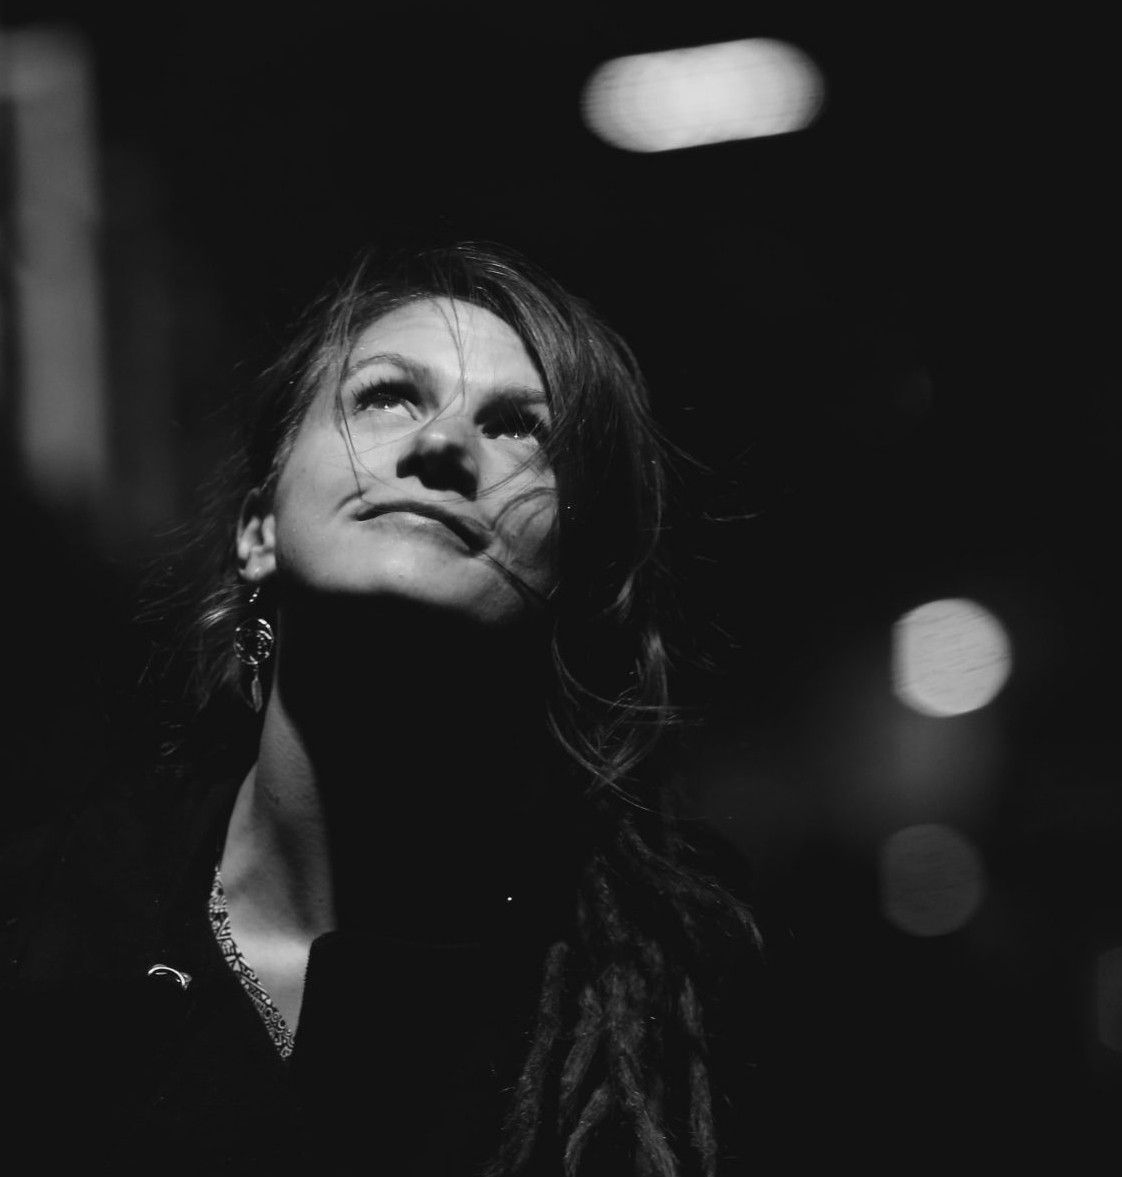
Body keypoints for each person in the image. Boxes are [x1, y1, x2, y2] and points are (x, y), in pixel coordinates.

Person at [1, 242, 761, 1175]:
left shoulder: (679, 1002)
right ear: (257, 530)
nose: (443, 445)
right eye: (387, 395)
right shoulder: (40, 923)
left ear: (576, 567)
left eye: (520, 428)